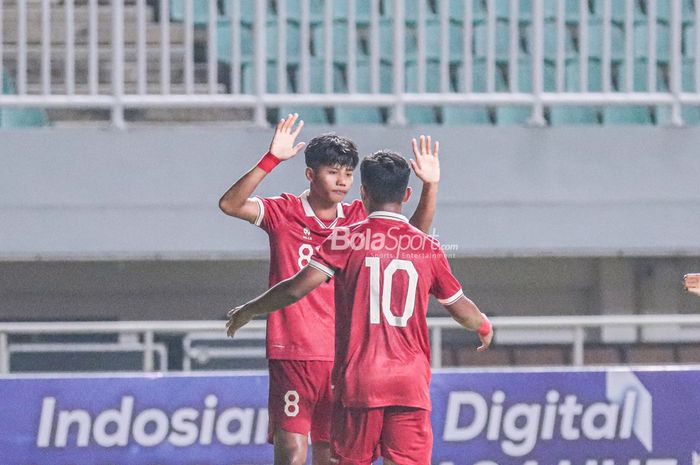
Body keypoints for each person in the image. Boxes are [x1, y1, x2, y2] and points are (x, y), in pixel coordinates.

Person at [226, 150, 493, 465]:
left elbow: (296, 287)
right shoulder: (426, 246)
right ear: (406, 194)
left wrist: (250, 309)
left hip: (358, 382)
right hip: (409, 384)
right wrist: (483, 326)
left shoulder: (345, 240)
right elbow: (461, 308)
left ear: (363, 192)